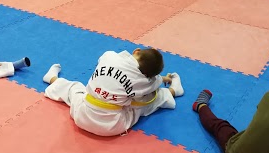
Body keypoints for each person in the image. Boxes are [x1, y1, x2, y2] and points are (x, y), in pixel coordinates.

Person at [42, 48, 184, 136]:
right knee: (147, 101)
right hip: (112, 126)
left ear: (136, 51)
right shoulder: (143, 81)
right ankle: (173, 91)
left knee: (75, 88)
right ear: (148, 76)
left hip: (81, 115)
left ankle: (52, 79)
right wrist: (164, 78)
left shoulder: (109, 55)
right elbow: (154, 83)